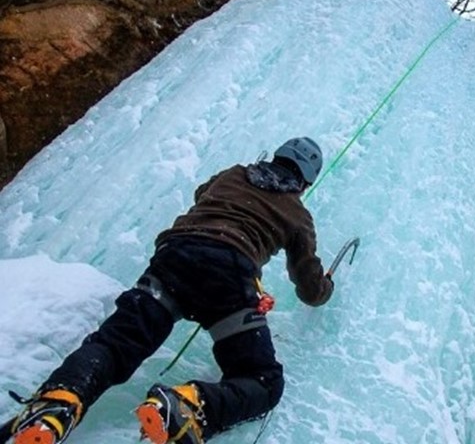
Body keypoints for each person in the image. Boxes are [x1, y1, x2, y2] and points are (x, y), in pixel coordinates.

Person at [5, 137, 334, 444]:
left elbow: (202, 195)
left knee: (116, 344)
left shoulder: (233, 174)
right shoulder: (297, 215)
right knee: (263, 380)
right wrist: (325, 286)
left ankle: (59, 402)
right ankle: (188, 404)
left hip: (174, 259)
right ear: (306, 182)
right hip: (228, 279)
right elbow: (310, 289)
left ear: (275, 157)